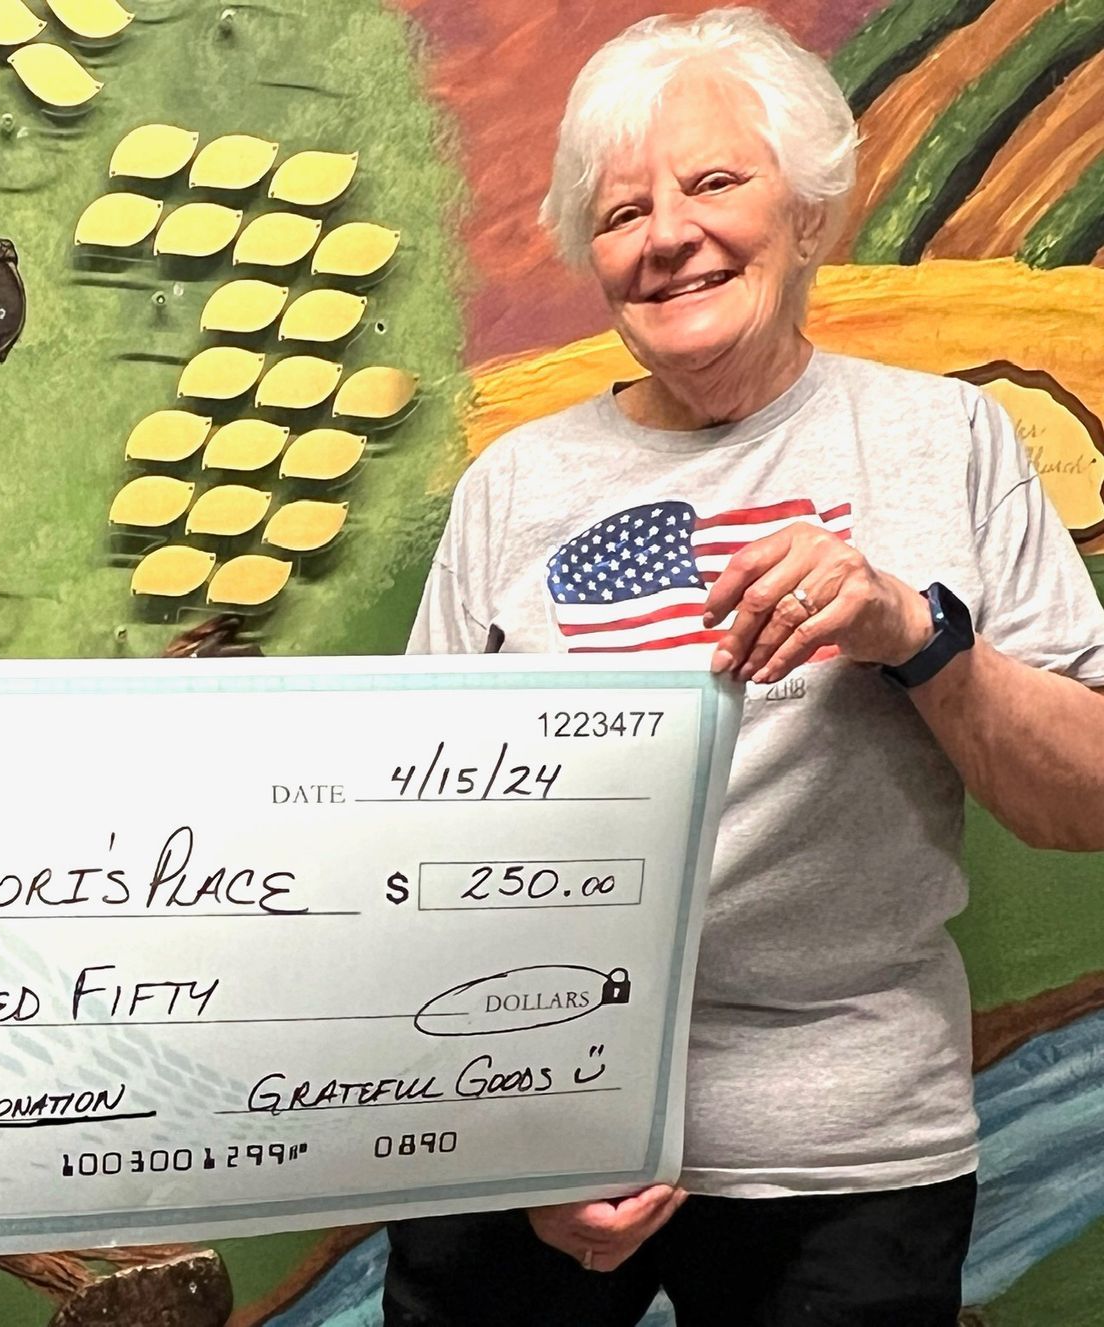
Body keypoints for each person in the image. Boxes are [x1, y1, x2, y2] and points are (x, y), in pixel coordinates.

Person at [392, 9, 1104, 1324]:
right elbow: (412, 851)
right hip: (537, 1126)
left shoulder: (948, 441)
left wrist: (916, 633)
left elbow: (1087, 799)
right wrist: (526, 1143)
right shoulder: (513, 488)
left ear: (810, 206)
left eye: (715, 182)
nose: (668, 234)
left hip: (846, 1152)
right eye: (621, 212)